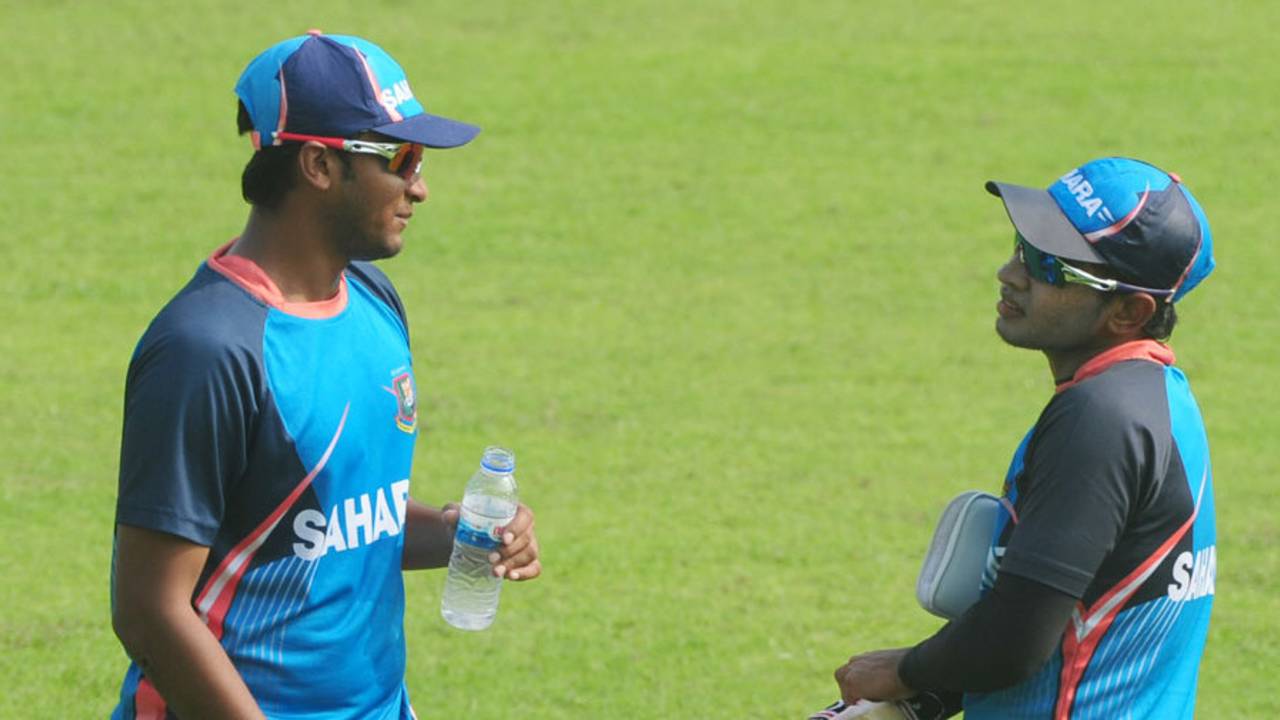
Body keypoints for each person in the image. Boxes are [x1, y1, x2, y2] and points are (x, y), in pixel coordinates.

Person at [110, 31, 541, 719]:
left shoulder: (372, 301)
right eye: (401, 158)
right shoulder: (209, 350)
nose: (420, 187)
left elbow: (339, 522)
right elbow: (148, 609)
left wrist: (465, 533)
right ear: (317, 164)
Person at [832, 157, 1217, 719]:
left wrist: (901, 671)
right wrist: (928, 697)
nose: (1011, 273)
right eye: (1022, 245)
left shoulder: (1100, 420)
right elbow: (1070, 616)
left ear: (1129, 310)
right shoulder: (1159, 398)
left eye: (1049, 265)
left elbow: (1018, 636)